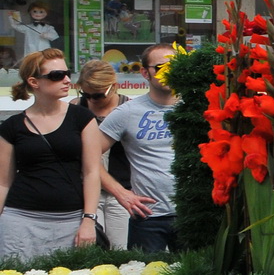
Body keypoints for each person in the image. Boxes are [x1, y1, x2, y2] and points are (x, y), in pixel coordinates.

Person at [0, 49, 102, 260]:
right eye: (57, 75)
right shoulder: (12, 126)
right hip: (20, 219)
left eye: (67, 73)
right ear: (34, 82)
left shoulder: (82, 118)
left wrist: (89, 220)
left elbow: (92, 172)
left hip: (71, 219)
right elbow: (3, 182)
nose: (66, 80)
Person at [98, 43, 182, 253]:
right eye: (160, 67)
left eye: (174, 66)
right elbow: (87, 156)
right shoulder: (127, 112)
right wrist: (120, 192)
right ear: (145, 72)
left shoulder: (197, 108)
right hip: (147, 216)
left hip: (191, 214)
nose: (168, 72)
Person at [78, 60, 130, 248]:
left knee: (120, 251)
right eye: (86, 94)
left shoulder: (128, 109)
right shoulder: (77, 108)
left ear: (114, 87)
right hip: (87, 191)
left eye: (98, 95)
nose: (92, 100)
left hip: (122, 190)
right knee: (89, 250)